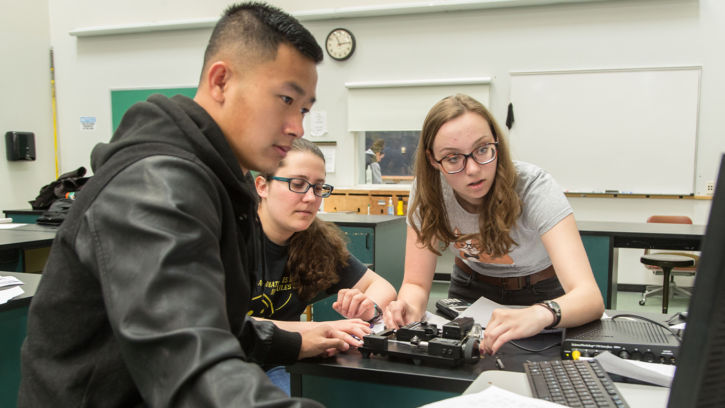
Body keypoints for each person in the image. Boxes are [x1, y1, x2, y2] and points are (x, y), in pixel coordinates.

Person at [19, 3, 348, 407]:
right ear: (221, 81)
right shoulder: (156, 185)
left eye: (304, 109)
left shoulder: (217, 183)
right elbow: (191, 365)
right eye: (285, 99)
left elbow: (207, 324)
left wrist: (291, 340)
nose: (297, 126)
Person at [383, 94, 604, 355]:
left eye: (482, 149)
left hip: (541, 294)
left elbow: (589, 297)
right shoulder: (428, 191)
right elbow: (416, 285)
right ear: (433, 160)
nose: (474, 169)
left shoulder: (534, 188)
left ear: (496, 144)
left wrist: (542, 313)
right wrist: (407, 306)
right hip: (469, 290)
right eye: (453, 158)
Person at [252, 138, 397, 394]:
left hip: (280, 362)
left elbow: (381, 286)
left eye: (318, 187)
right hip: (226, 358)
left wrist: (367, 307)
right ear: (262, 186)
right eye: (297, 184)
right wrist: (314, 331)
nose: (310, 198)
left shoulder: (315, 241)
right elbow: (225, 325)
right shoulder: (231, 237)